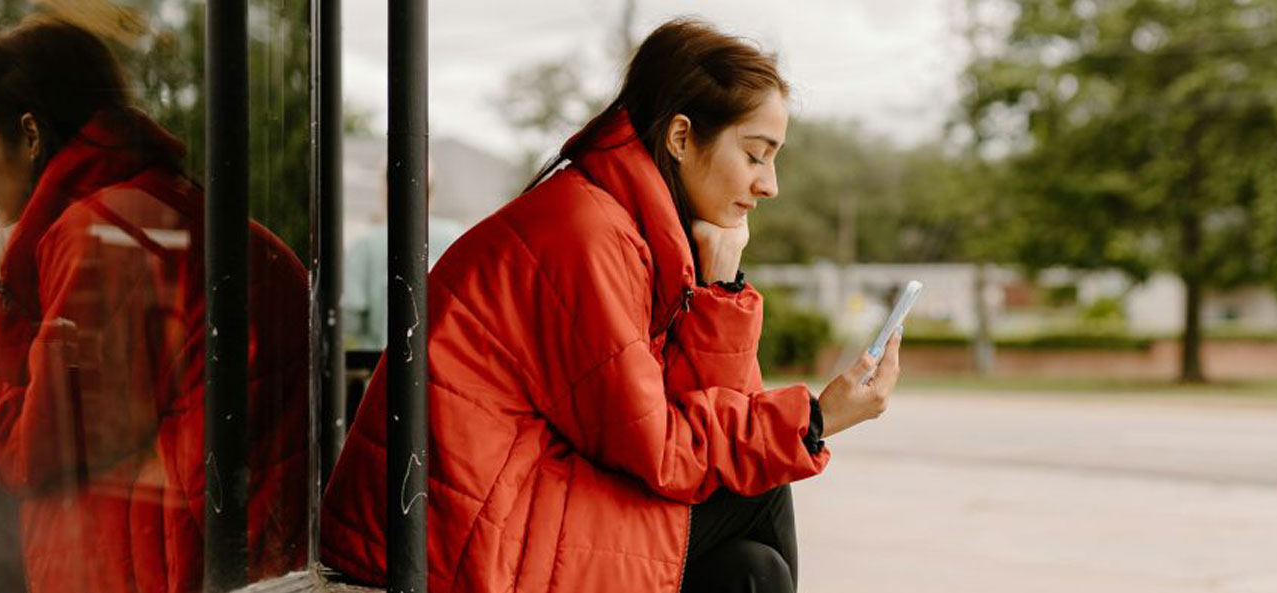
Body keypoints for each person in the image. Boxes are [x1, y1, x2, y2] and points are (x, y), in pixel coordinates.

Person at [320, 17, 902, 593]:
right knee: (761, 491)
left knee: (752, 572)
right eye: (756, 155)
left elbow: (707, 413)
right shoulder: (587, 230)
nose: (771, 184)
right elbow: (662, 451)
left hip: (500, 496)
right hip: (458, 524)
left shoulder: (630, 224)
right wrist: (820, 419)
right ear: (679, 138)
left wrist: (720, 291)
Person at [0, 18, 309, 593]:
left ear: (30, 136)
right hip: (222, 556)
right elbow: (53, 408)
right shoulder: (158, 211)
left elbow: (38, 446)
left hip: (161, 565)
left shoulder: (104, 236)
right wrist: (18, 283)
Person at [341, 165, 464, 349]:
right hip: (445, 369)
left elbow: (350, 320)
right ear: (431, 193)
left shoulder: (366, 244)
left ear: (386, 190)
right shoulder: (457, 238)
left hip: (380, 368)